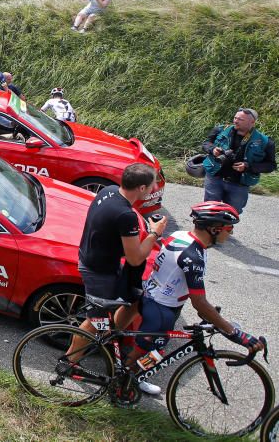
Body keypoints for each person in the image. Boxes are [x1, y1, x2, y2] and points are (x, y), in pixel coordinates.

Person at [125, 201, 265, 396]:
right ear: (215, 229)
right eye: (229, 229)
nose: (231, 234)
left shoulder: (180, 236)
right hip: (161, 308)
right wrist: (235, 334)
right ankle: (125, 381)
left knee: (155, 348)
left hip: (156, 298)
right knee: (151, 351)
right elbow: (199, 303)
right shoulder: (193, 256)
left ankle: (132, 374)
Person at [67, 164, 167, 369]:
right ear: (141, 188)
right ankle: (70, 361)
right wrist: (155, 233)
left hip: (93, 257)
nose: (154, 187)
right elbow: (136, 259)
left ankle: (107, 338)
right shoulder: (125, 215)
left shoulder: (109, 191)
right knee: (96, 319)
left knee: (132, 302)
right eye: (152, 184)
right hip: (98, 270)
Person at [201, 108, 275, 214]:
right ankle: (208, 229)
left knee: (232, 213)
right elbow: (206, 143)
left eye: (240, 119)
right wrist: (212, 149)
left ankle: (226, 230)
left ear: (252, 122)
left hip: (239, 183)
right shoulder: (221, 130)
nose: (235, 121)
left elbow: (270, 165)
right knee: (210, 209)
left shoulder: (265, 142)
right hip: (215, 177)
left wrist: (248, 166)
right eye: (235, 118)